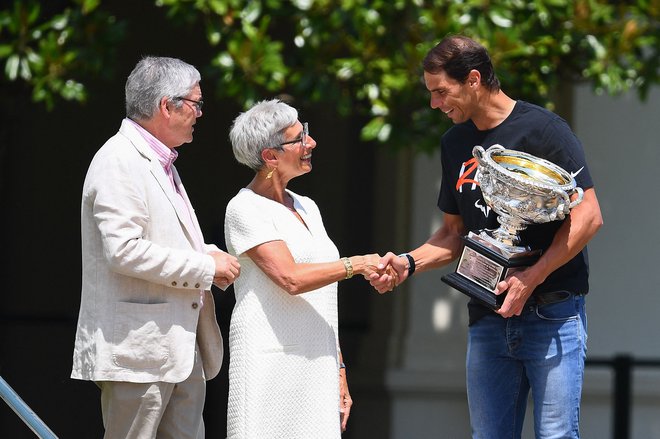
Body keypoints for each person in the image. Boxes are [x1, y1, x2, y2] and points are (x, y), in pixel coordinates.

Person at [371, 35, 603, 438]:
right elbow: (452, 233)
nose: (435, 104)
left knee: (556, 435)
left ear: (473, 79)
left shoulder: (545, 130)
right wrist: (408, 263)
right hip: (487, 317)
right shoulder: (454, 143)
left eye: (442, 92)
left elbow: (589, 216)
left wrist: (531, 278)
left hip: (552, 312)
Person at [71, 56, 241, 439]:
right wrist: (204, 267)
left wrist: (208, 253)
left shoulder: (161, 162)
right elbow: (125, 250)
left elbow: (162, 239)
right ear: (168, 105)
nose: (200, 113)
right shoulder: (118, 159)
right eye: (196, 104)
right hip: (140, 352)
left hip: (178, 349)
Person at [224, 99, 381, 438]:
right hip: (270, 360)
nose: (311, 143)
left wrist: (339, 368)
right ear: (270, 156)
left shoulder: (307, 206)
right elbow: (291, 278)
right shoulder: (244, 208)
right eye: (298, 139)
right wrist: (357, 264)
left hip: (317, 359)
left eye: (305, 133)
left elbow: (322, 296)